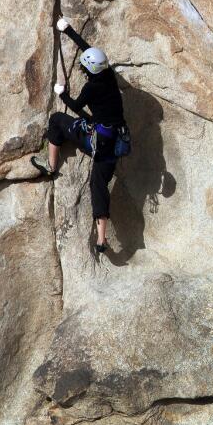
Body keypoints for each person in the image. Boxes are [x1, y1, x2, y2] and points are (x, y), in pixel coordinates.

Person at [31, 17, 127, 253]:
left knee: (56, 120)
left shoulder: (91, 87)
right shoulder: (109, 76)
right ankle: (101, 239)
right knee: (99, 184)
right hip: (115, 140)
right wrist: (68, 30)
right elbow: (87, 48)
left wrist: (61, 94)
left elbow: (74, 107)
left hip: (96, 140)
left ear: (88, 69)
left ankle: (51, 166)